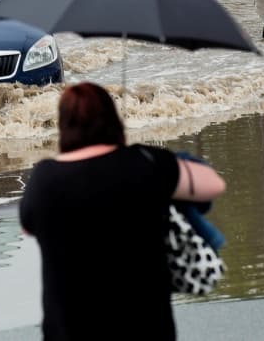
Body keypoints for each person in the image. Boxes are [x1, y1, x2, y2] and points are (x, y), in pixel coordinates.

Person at [19, 82, 226, 341]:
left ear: (64, 125)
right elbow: (214, 185)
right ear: (111, 118)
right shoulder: (145, 163)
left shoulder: (44, 178)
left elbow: (27, 225)